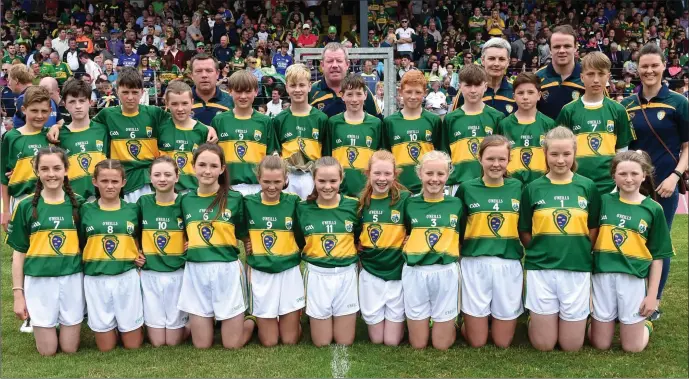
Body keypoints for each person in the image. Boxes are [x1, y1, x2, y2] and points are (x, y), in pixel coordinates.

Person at [621, 42, 689, 321]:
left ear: (663, 67)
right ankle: (630, 296)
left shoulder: (678, 102)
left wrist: (675, 176)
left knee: (658, 244)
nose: (649, 70)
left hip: (665, 186)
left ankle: (654, 301)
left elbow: (687, 145)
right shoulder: (626, 104)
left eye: (654, 65)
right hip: (633, 186)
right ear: (637, 69)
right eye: (644, 66)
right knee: (631, 239)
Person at [519, 126, 601, 352]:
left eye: (566, 154)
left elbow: (593, 228)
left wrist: (579, 249)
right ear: (545, 154)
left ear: (575, 153)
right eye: (554, 154)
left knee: (571, 346)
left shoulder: (587, 186)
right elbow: (524, 230)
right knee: (544, 345)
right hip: (541, 268)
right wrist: (539, 250)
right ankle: (534, 319)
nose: (560, 160)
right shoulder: (532, 188)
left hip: (576, 267)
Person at [590, 151, 673, 352]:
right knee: (600, 344)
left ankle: (645, 324)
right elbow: (590, 244)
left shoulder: (653, 209)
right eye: (623, 174)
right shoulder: (602, 202)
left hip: (633, 279)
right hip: (602, 277)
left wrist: (652, 295)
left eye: (634, 174)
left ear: (644, 175)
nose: (628, 179)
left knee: (632, 348)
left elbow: (658, 257)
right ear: (614, 176)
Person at [177, 143, 255, 349]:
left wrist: (250, 248)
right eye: (202, 164)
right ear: (193, 166)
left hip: (227, 271)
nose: (207, 171)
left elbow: (245, 235)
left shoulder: (235, 199)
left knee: (232, 345)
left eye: (213, 166)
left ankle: (251, 321)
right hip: (195, 271)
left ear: (222, 169)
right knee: (202, 345)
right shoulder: (185, 200)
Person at [8, 147, 84, 356]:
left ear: (66, 170)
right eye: (45, 168)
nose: (51, 174)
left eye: (57, 168)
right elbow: (18, 254)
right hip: (38, 281)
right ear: (37, 171)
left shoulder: (78, 203)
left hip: (72, 279)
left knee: (69, 349)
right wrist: (18, 295)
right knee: (48, 351)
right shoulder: (25, 206)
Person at [456, 135, 523, 348]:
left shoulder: (518, 187)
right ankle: (465, 322)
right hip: (475, 264)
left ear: (509, 160)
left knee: (502, 343)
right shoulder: (467, 188)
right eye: (490, 159)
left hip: (508, 264)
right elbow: (457, 229)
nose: (496, 164)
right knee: (478, 342)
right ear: (480, 159)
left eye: (502, 159)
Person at [80, 159, 144, 352]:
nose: (109, 186)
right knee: (106, 348)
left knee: (132, 345)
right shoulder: (84, 209)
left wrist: (138, 254)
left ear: (123, 182)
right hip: (96, 278)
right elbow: (80, 241)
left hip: (126, 277)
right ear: (94, 181)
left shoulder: (133, 209)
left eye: (115, 181)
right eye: (104, 180)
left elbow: (140, 237)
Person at [295, 156, 360, 346]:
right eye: (321, 181)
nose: (327, 186)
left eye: (333, 181)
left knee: (344, 341)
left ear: (341, 179)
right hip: (317, 275)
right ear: (313, 180)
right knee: (322, 342)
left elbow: (359, 236)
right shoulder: (302, 208)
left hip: (346, 275)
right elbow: (299, 239)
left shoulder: (353, 205)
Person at [402, 150, 462, 350]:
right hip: (416, 272)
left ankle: (451, 322)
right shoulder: (408, 203)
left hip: (445, 271)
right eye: (429, 174)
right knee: (418, 344)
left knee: (441, 345)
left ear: (448, 175)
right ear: (419, 174)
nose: (435, 179)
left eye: (440, 174)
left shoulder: (456, 204)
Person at [241, 155, 304, 347]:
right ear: (258, 178)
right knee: (269, 342)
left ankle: (292, 319)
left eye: (277, 181)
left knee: (289, 340)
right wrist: (246, 239)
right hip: (261, 272)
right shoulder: (247, 202)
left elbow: (303, 234)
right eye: (266, 181)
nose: (271, 186)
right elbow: (234, 227)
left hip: (288, 271)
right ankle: (252, 320)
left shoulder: (293, 202)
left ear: (286, 179)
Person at [556, 51, 635, 194]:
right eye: (591, 74)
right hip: (575, 185)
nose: (596, 80)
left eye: (601, 74)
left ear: (608, 76)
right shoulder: (568, 111)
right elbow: (559, 151)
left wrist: (617, 185)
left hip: (609, 187)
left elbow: (622, 152)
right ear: (581, 77)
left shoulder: (618, 110)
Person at [358, 150, 410, 346]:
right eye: (377, 173)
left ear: (395, 174)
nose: (382, 179)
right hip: (371, 273)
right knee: (378, 339)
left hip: (397, 273)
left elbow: (416, 227)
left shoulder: (405, 199)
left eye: (387, 174)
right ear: (368, 173)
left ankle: (402, 323)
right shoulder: (360, 204)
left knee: (391, 341)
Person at [137, 156, 189, 347]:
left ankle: (192, 322)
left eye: (168, 174)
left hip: (178, 272)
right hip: (151, 273)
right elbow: (132, 232)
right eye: (157, 174)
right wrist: (136, 252)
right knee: (159, 342)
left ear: (177, 177)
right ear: (150, 177)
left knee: (173, 342)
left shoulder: (185, 202)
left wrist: (192, 242)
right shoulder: (143, 202)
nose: (162, 179)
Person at [212, 70, 279, 196]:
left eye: (248, 91)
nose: (243, 96)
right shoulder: (219, 120)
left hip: (257, 187)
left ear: (256, 91)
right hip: (227, 187)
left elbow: (271, 156)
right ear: (230, 91)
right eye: (238, 91)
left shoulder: (265, 121)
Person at [442, 64, 504, 197]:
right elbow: (444, 154)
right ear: (460, 87)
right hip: (458, 183)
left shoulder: (496, 117)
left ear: (485, 86)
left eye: (477, 85)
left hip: (489, 181)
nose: (473, 90)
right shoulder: (450, 119)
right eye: (468, 85)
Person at [273, 63, 328, 200]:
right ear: (286, 87)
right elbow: (276, 151)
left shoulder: (321, 118)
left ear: (309, 86)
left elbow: (326, 153)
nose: (297, 90)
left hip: (313, 176)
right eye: (293, 85)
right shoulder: (279, 119)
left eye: (302, 85)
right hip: (287, 177)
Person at [323, 74, 384, 197]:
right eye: (349, 94)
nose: (354, 99)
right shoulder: (333, 122)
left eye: (359, 94)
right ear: (342, 96)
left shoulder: (376, 123)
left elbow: (381, 159)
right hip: (339, 193)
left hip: (368, 192)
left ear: (365, 95)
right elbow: (326, 158)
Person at [1, 86, 51, 232]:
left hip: (49, 199)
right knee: (22, 248)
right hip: (21, 199)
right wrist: (5, 211)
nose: (40, 116)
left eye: (44, 111)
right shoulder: (11, 137)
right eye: (34, 111)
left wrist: (57, 126)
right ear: (24, 109)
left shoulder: (52, 136)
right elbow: (4, 177)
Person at [383, 70, 442, 193]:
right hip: (398, 189)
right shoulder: (389, 122)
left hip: (427, 189)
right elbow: (385, 158)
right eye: (408, 92)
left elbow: (440, 155)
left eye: (418, 92)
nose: (413, 96)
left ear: (425, 93)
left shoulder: (434, 120)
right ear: (400, 92)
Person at [496, 72, 556, 185]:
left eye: (530, 92)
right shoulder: (504, 124)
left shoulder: (549, 123)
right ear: (514, 96)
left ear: (539, 95)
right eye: (520, 93)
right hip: (511, 185)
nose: (525, 97)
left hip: (542, 185)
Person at [57, 79, 109, 201]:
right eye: (72, 102)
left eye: (82, 100)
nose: (78, 106)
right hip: (71, 198)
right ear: (64, 104)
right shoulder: (59, 134)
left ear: (90, 102)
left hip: (101, 197)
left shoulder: (102, 129)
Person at [158, 81, 209, 193]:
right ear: (167, 103)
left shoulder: (202, 131)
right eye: (175, 104)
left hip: (194, 191)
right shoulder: (160, 127)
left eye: (185, 103)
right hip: (166, 191)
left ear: (192, 102)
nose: (180, 109)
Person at [309, 42, 381, 118]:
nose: (334, 65)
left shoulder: (361, 91)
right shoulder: (311, 91)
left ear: (347, 64)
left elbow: (377, 123)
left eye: (339, 61)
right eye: (330, 61)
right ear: (322, 65)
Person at [451, 38, 516, 117]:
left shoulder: (517, 91)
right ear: (482, 60)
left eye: (501, 59)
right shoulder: (468, 91)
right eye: (491, 58)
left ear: (508, 62)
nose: (496, 63)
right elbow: (454, 121)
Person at [536, 25, 585, 120]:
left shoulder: (589, 77)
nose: (562, 51)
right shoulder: (537, 78)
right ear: (550, 49)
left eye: (567, 46)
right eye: (557, 46)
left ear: (575, 47)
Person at [10, 64, 61, 129]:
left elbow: (33, 127)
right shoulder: (47, 97)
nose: (9, 83)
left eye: (9, 80)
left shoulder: (23, 99)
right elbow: (61, 123)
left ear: (16, 80)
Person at [190, 54, 235, 126]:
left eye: (209, 71)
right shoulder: (180, 101)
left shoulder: (231, 100)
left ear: (217, 74)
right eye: (198, 71)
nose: (204, 75)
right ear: (191, 75)